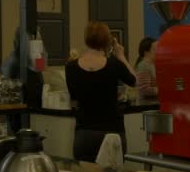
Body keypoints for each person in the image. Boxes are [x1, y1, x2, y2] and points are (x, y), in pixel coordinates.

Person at [65, 21, 136, 162]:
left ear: (86, 39)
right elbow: (134, 80)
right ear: (107, 41)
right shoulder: (113, 64)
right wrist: (121, 56)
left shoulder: (71, 67)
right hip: (112, 130)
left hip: (84, 133)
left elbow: (74, 99)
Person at [1, 27, 45, 133]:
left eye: (39, 39)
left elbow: (41, 75)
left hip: (36, 113)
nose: (38, 43)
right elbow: (7, 92)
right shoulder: (13, 61)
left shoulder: (37, 59)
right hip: (20, 116)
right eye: (34, 39)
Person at [135, 37, 158, 103]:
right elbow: (144, 90)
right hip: (147, 105)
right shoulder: (144, 65)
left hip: (153, 103)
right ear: (146, 52)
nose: (158, 51)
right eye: (155, 49)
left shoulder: (152, 65)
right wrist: (164, 90)